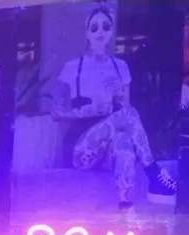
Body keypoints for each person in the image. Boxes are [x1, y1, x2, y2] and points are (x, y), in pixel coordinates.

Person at [53, 3, 177, 211]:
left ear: (111, 31)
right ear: (87, 33)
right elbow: (56, 112)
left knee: (125, 141)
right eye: (94, 28)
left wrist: (117, 98)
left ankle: (125, 205)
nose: (100, 32)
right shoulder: (73, 68)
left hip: (109, 148)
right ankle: (153, 173)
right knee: (127, 115)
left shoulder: (121, 67)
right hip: (82, 148)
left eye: (105, 27)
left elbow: (125, 110)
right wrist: (90, 110)